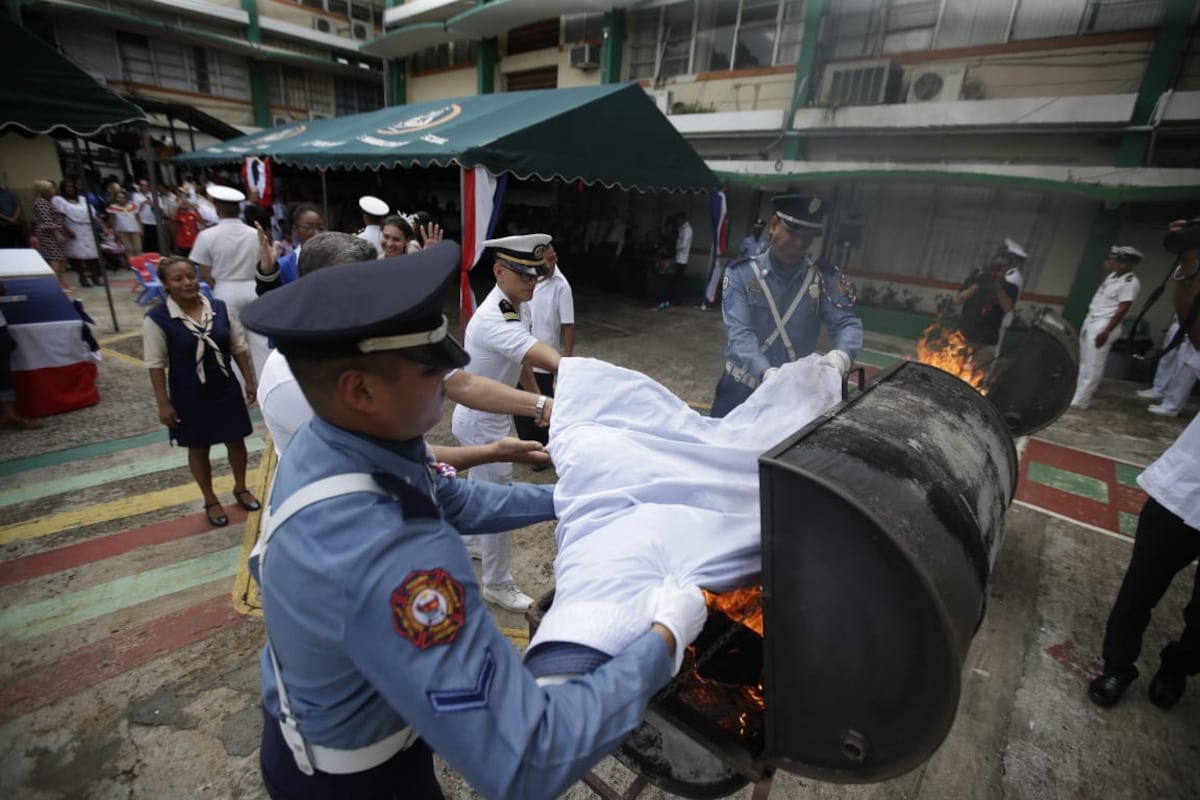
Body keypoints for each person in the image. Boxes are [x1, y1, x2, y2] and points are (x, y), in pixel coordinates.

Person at [238, 244, 706, 800]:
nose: (453, 367)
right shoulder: (397, 558)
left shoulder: (341, 437)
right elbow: (527, 759)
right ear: (361, 389)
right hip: (356, 782)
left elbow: (450, 500)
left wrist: (576, 498)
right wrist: (665, 640)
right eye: (429, 360)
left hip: (343, 723)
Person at [255, 232, 551, 474]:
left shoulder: (369, 335)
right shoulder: (294, 378)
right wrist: (489, 453)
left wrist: (541, 404)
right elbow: (389, 458)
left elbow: (462, 383)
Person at [1088, 220, 1200, 711]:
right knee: (1139, 590)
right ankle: (1118, 666)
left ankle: (1179, 665)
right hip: (1188, 488)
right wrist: (1191, 260)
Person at [452, 234, 562, 613]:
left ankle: (473, 542)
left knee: (482, 490)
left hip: (487, 417)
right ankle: (497, 584)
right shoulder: (492, 319)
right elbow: (541, 355)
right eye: (523, 274)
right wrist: (575, 374)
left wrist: (540, 407)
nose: (532, 281)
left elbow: (522, 363)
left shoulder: (516, 304)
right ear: (499, 271)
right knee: (497, 503)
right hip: (480, 421)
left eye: (536, 274)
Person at [710, 194, 863, 418]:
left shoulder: (823, 278)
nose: (799, 244)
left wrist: (842, 355)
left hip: (793, 398)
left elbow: (846, 322)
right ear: (773, 225)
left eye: (808, 237)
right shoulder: (740, 274)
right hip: (739, 391)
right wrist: (765, 372)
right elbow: (739, 333)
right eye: (792, 233)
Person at [142, 256, 259, 527]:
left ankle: (241, 487)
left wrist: (249, 381)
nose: (187, 283)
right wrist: (163, 403)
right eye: (178, 279)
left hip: (225, 386)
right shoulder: (158, 319)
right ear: (166, 285)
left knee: (236, 439)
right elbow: (155, 364)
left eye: (191, 276)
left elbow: (238, 346)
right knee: (198, 447)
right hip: (188, 393)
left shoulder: (219, 307)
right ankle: (210, 499)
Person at [189, 184, 270, 381]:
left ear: (217, 208)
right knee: (260, 341)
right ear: (239, 208)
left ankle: (241, 386)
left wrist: (220, 286)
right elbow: (265, 262)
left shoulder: (207, 235)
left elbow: (205, 271)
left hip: (225, 287)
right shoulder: (254, 233)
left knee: (231, 342)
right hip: (253, 286)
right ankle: (265, 383)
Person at [513, 242, 573, 460]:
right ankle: (525, 447)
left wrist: (567, 358)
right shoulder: (527, 281)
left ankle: (544, 450)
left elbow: (568, 325)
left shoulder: (561, 285)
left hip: (545, 357)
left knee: (543, 406)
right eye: (547, 259)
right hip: (521, 353)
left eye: (554, 257)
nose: (551, 262)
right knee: (521, 403)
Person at [1071, 246, 1143, 410]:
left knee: (1094, 364)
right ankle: (1077, 393)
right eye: (1118, 261)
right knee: (1084, 362)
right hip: (1092, 320)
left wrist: (1106, 331)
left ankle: (1082, 400)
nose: (1119, 265)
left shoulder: (1130, 283)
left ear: (1133, 264)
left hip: (1104, 324)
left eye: (1124, 263)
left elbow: (1123, 308)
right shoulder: (1112, 277)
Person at [954, 240, 1025, 370]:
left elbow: (1008, 308)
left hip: (987, 342)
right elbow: (958, 300)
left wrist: (997, 287)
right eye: (998, 265)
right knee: (953, 370)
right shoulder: (977, 276)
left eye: (1004, 267)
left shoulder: (1010, 286)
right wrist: (977, 285)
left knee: (976, 379)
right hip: (965, 336)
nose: (999, 270)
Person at [1136, 315, 1197, 418]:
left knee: (1185, 369)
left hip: (1194, 328)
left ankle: (1172, 406)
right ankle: (1160, 390)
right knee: (1168, 358)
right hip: (1182, 321)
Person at [255, 204, 324, 295]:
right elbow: (269, 298)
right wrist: (268, 274)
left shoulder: (333, 260)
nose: (316, 233)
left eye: (321, 228)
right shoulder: (284, 265)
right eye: (307, 227)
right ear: (295, 229)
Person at [53, 177, 103, 288]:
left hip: (88, 229)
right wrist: (67, 230)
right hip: (73, 228)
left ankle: (95, 277)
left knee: (92, 255)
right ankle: (82, 278)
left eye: (72, 186)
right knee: (77, 255)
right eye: (67, 187)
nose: (70, 189)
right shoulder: (59, 200)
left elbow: (93, 215)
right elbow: (59, 217)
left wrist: (103, 227)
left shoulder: (82, 199)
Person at [31, 179, 71, 292]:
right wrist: (57, 234)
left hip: (55, 231)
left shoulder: (48, 201)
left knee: (60, 258)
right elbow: (47, 220)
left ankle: (63, 282)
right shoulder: (40, 202)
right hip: (49, 233)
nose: (54, 190)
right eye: (51, 189)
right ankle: (58, 284)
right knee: (55, 258)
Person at [654, 211, 692, 310]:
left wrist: (671, 248)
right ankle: (670, 300)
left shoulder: (687, 230)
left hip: (678, 259)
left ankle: (670, 300)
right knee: (671, 282)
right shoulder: (679, 230)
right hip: (674, 259)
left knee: (669, 282)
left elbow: (683, 245)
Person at [106, 188, 142, 257]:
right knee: (128, 248)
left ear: (126, 198)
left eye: (122, 197)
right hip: (122, 230)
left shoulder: (133, 206)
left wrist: (141, 228)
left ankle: (140, 263)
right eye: (118, 197)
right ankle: (132, 264)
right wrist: (114, 229)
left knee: (138, 248)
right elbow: (112, 219)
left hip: (134, 229)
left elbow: (138, 217)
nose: (120, 199)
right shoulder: (113, 207)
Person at [173, 190, 201, 257]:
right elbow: (173, 218)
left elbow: (201, 220)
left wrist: (195, 209)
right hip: (183, 243)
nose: (185, 204)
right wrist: (178, 207)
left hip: (193, 242)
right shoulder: (179, 215)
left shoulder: (192, 214)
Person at [0, 181, 24, 249]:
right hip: (4, 224)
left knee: (20, 242)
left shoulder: (8, 193)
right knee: (7, 244)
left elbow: (18, 207)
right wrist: (11, 219)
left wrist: (14, 218)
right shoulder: (8, 193)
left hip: (14, 222)